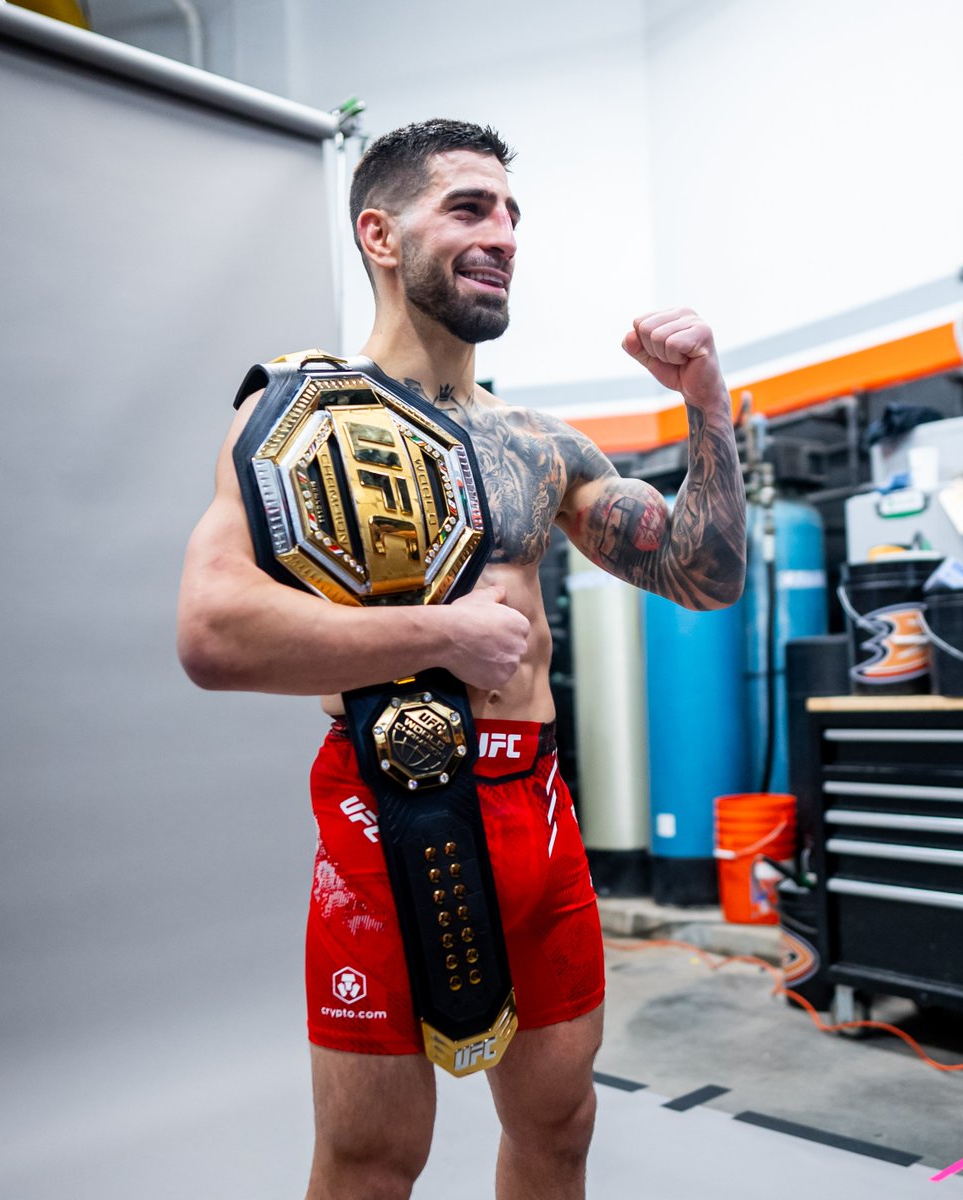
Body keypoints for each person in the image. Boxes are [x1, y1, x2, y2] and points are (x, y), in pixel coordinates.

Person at [177, 118, 747, 1200]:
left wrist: (709, 404)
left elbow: (704, 575)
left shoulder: (540, 443)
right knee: (372, 1158)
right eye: (470, 208)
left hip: (536, 808)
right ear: (380, 235)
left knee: (561, 1125)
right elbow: (212, 631)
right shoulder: (301, 412)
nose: (503, 235)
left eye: (512, 214)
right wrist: (437, 633)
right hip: (392, 808)